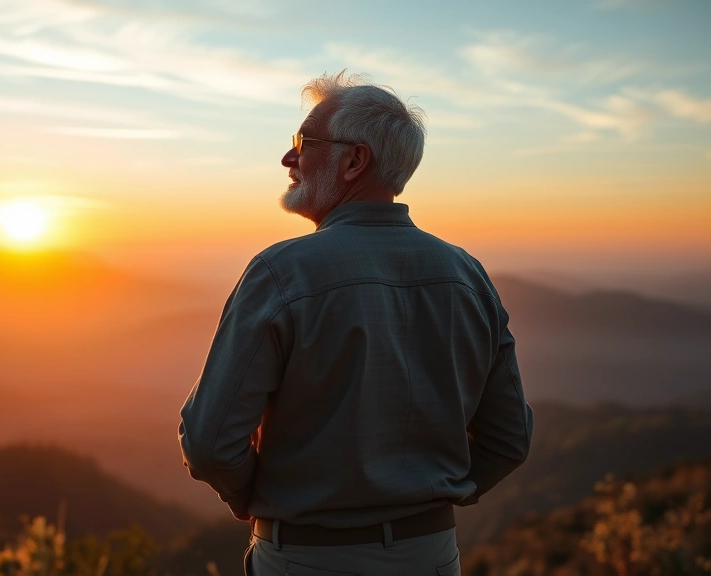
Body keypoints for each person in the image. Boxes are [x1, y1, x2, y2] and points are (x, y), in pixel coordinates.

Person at [177, 72, 534, 575]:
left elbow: (209, 444)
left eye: (304, 143)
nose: (288, 158)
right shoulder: (467, 276)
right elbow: (510, 438)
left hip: (307, 560)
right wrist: (424, 498)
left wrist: (252, 498)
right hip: (433, 558)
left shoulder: (282, 273)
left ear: (353, 161)